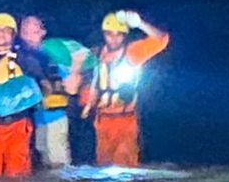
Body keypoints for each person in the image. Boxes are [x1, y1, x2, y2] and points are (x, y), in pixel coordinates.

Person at [81, 10, 169, 167]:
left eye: (119, 34)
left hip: (125, 121)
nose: (114, 39)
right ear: (103, 34)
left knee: (124, 169)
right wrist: (87, 105)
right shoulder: (95, 54)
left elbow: (162, 40)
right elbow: (91, 82)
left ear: (125, 35)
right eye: (109, 34)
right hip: (102, 122)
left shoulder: (132, 52)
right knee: (103, 169)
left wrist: (140, 23)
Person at [0, 13, 46, 177]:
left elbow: (42, 86)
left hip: (19, 124)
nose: (1, 34)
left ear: (13, 35)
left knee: (18, 173)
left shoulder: (26, 59)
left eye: (6, 30)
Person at [19, 15, 71, 168]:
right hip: (33, 119)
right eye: (25, 31)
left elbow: (70, 85)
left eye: (34, 31)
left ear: (43, 32)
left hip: (55, 116)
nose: (29, 36)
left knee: (57, 161)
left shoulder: (55, 56)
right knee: (41, 162)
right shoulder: (18, 57)